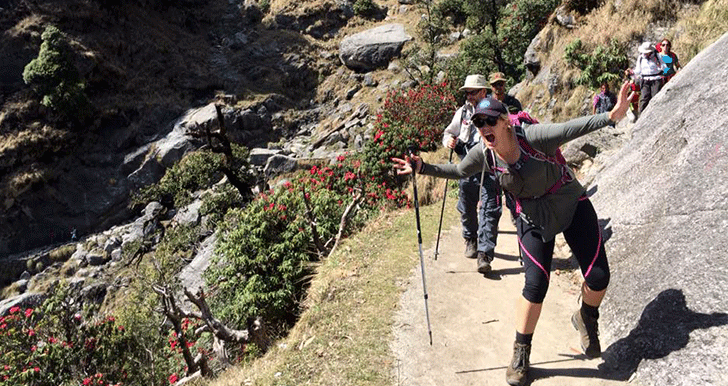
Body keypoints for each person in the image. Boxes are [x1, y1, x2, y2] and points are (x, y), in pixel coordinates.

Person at [393, 82, 631, 386]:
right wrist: (422, 166)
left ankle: (586, 315)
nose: (484, 127)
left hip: (570, 202)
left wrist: (612, 116)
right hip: (531, 215)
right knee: (535, 285)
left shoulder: (533, 137)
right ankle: (521, 353)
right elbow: (458, 172)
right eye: (478, 123)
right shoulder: (483, 153)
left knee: (598, 277)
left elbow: (573, 127)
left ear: (505, 122)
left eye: (490, 120)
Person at [442, 74, 502, 274]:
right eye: (467, 92)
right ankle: (470, 240)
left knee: (489, 210)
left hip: (491, 167)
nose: (468, 96)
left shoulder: (496, 110)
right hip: (468, 166)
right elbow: (449, 132)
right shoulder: (463, 112)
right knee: (466, 206)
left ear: (483, 92)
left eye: (472, 92)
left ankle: (485, 254)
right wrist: (449, 141)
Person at [634, 41, 667, 116]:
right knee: (644, 98)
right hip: (645, 80)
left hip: (656, 79)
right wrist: (634, 74)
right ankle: (641, 115)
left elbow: (664, 66)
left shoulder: (657, 56)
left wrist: (661, 69)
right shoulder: (641, 58)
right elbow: (638, 70)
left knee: (655, 97)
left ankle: (656, 114)